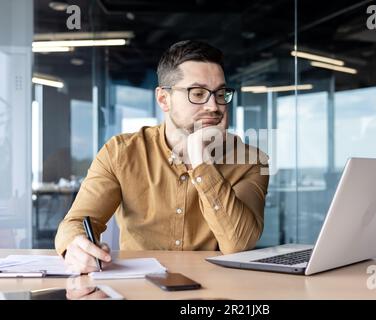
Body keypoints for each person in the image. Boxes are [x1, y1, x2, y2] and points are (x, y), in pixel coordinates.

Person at [55, 40, 269, 273]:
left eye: (220, 93)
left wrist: (200, 160)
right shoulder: (121, 152)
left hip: (215, 290)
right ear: (163, 99)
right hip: (138, 289)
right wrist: (76, 247)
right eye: (198, 93)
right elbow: (75, 223)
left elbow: (239, 244)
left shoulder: (250, 160)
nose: (214, 106)